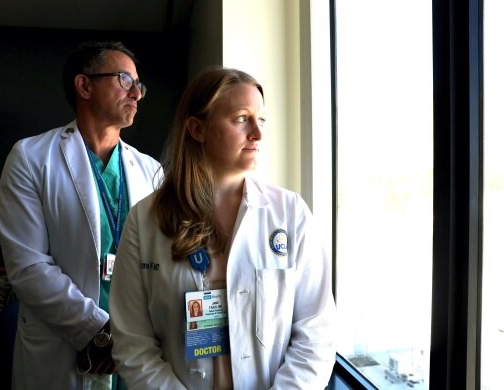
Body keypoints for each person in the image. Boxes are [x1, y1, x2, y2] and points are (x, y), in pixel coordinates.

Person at [109, 66, 339, 389]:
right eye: (242, 119)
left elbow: (316, 332)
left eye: (261, 120)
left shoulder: (290, 214)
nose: (257, 134)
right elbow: (133, 343)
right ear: (197, 129)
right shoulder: (144, 221)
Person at [0, 41, 161, 390]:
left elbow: (161, 262)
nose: (137, 93)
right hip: (62, 349)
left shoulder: (151, 171)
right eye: (124, 80)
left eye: (139, 84)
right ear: (84, 85)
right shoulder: (31, 158)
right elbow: (27, 266)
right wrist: (98, 330)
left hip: (137, 348)